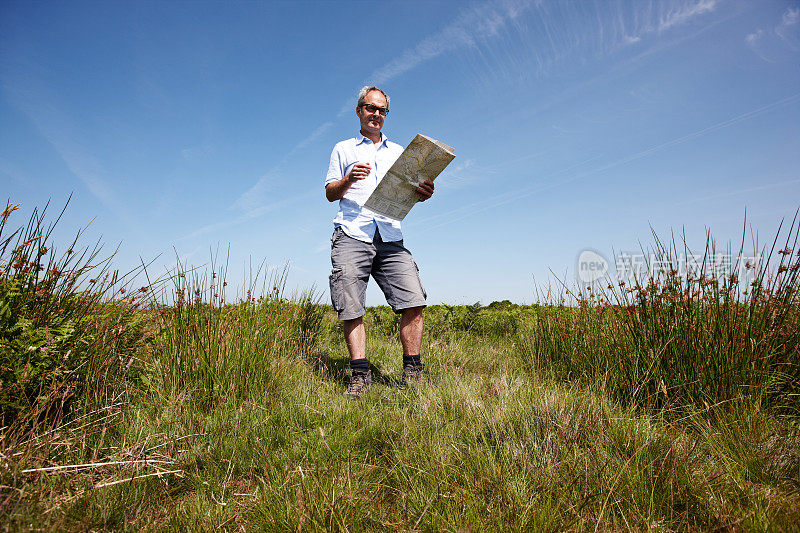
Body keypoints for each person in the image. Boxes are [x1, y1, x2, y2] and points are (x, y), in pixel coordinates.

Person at [325, 86, 435, 399]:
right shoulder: (343, 149)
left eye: (382, 110)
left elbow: (409, 192)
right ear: (359, 111)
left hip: (390, 235)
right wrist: (348, 180)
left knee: (413, 300)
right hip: (352, 233)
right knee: (351, 306)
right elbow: (330, 193)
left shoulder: (401, 152)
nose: (376, 114)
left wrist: (423, 193)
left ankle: (413, 374)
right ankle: (360, 375)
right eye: (370, 108)